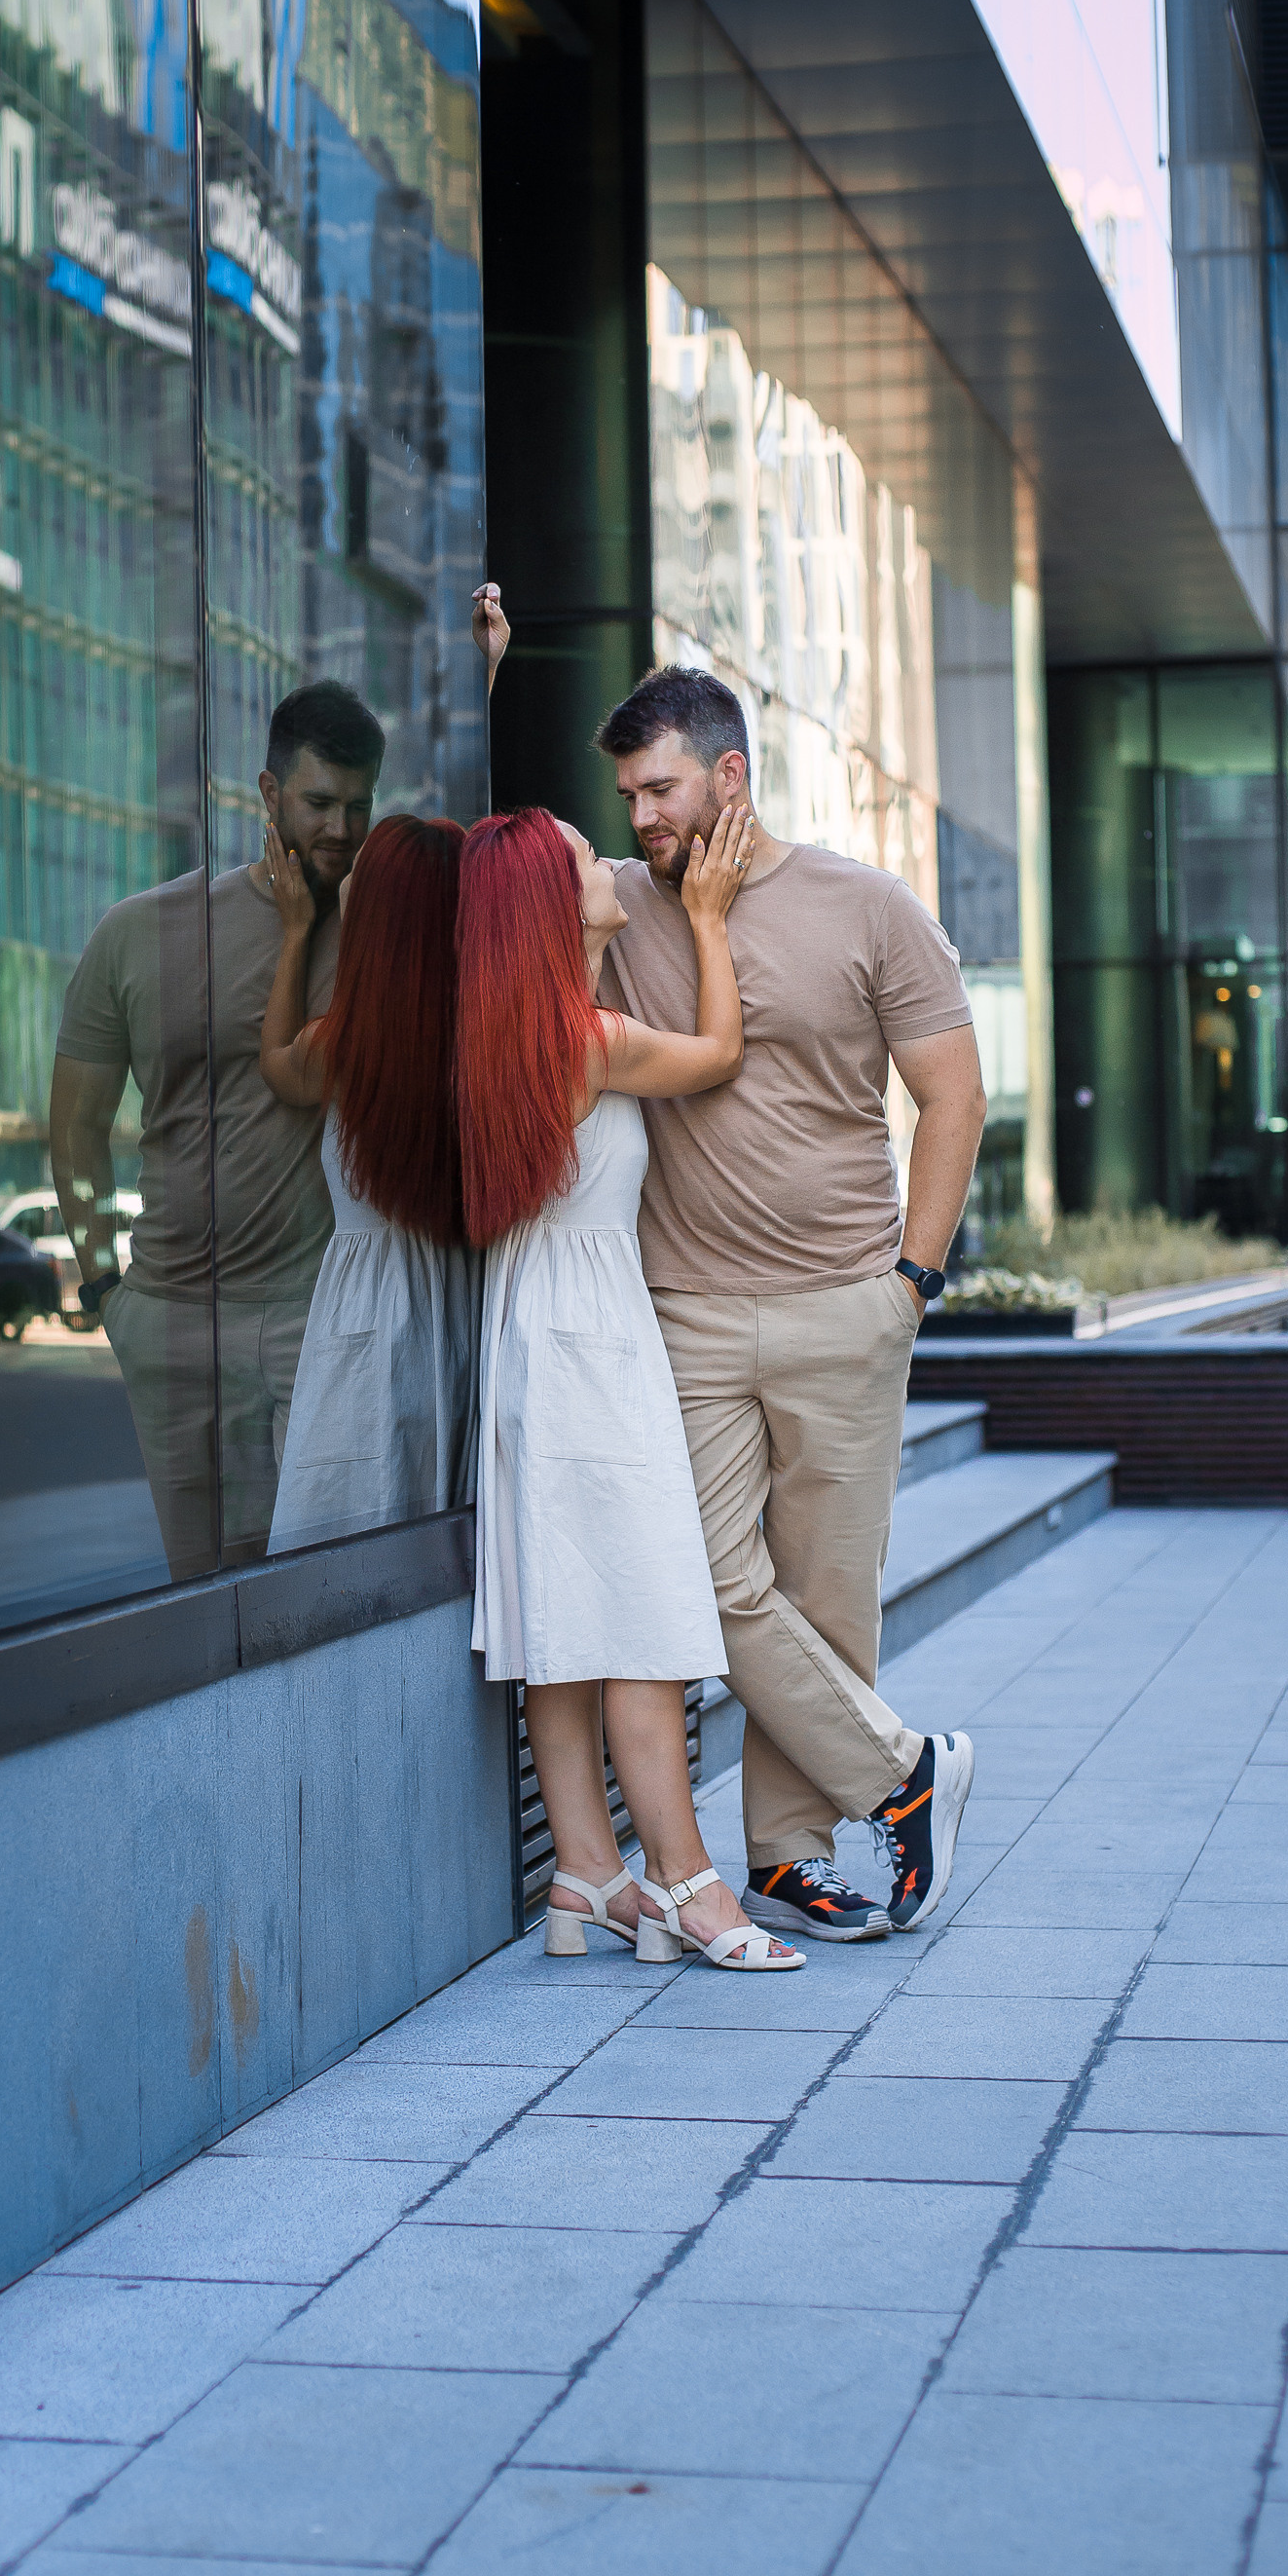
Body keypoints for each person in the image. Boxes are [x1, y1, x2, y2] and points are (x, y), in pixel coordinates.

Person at [582, 659, 987, 1942]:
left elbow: (953, 1099)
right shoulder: (614, 908)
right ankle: (904, 1775)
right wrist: (478, 678)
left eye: (660, 788)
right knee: (704, 1585)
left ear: (731, 774)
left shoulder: (868, 908)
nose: (642, 817)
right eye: (628, 794)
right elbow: (478, 872)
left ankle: (793, 1860)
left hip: (844, 1306)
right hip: (686, 1310)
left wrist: (908, 1283)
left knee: (826, 1597)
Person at [457, 801, 800, 1973]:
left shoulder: (510, 1034)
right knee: (647, 1613)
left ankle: (587, 1874)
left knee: (562, 1622)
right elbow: (719, 1054)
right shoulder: (585, 1038)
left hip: (532, 1336)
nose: (609, 860)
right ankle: (690, 1885)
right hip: (588, 1341)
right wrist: (706, 920)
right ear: (555, 910)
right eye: (581, 859)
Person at [50, 679, 386, 1578]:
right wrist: (103, 1291)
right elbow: (77, 1127)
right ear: (269, 795)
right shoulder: (140, 933)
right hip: (169, 1316)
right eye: (319, 803)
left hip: (310, 1313)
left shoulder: (378, 935)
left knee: (312, 1586)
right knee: (197, 1595)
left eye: (359, 806)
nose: (341, 830)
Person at [258, 812, 480, 1549]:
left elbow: (277, 1068)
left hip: (368, 1306)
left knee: (349, 1524)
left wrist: (295, 934)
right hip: (460, 1299)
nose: (345, 876)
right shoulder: (477, 1034)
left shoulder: (342, 1043)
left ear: (382, 913)